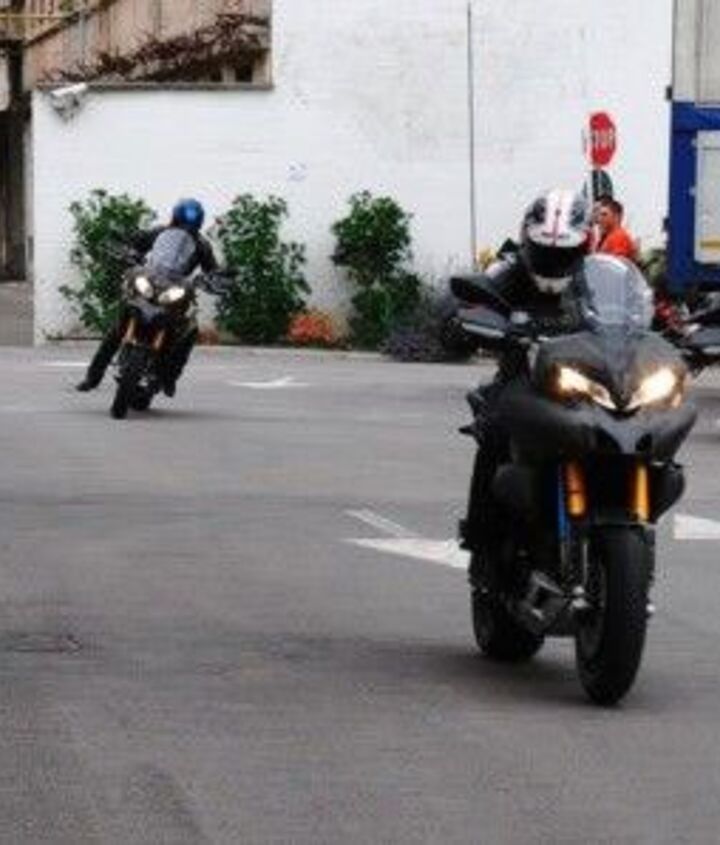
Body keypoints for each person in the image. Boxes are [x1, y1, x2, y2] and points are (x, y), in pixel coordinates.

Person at [456, 188, 592, 580]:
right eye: (545, 251)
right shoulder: (507, 268)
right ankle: (482, 540)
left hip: (591, 382)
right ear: (528, 241)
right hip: (523, 382)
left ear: (584, 246)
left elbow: (638, 312)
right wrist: (470, 323)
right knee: (496, 430)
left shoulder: (601, 275)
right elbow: (469, 304)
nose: (555, 260)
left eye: (566, 252)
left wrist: (668, 332)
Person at [76, 198, 218, 395]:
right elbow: (135, 242)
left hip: (177, 289)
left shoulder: (202, 245)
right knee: (118, 328)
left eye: (190, 225)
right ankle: (93, 377)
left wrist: (213, 280)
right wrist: (128, 251)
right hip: (152, 282)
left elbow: (212, 271)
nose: (185, 227)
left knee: (190, 330)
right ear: (175, 218)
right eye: (182, 222)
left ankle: (170, 377)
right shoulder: (159, 232)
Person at [594, 195, 638, 261]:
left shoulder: (619, 237)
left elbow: (616, 264)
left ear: (616, 217)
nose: (600, 219)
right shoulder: (608, 237)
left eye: (604, 215)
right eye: (599, 215)